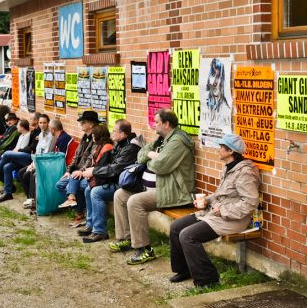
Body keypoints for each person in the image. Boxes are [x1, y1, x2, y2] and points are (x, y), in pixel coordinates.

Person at [169, 134, 261, 288]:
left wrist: (224, 210)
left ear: (230, 151)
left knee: (188, 236)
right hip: (216, 213)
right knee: (176, 227)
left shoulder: (245, 173)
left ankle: (208, 280)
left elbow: (250, 202)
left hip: (233, 219)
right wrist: (207, 201)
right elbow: (221, 193)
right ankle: (184, 270)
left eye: (221, 147)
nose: (218, 150)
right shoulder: (229, 167)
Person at [110, 108, 195, 265]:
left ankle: (144, 250)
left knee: (135, 201)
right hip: (154, 189)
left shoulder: (177, 141)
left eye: (157, 122)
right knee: (120, 195)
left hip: (173, 191)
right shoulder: (161, 139)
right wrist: (151, 155)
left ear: (166, 123)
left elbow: (162, 166)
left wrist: (152, 159)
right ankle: (126, 238)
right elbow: (141, 153)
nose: (153, 125)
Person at [79, 120, 140, 243]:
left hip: (125, 184)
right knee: (87, 189)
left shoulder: (130, 148)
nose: (111, 134)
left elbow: (115, 169)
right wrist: (92, 170)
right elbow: (110, 165)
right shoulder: (119, 144)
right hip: (115, 181)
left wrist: (94, 172)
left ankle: (100, 231)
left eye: (114, 131)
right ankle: (91, 224)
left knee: (96, 192)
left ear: (122, 134)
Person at [55, 110, 99, 227]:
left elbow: (92, 159)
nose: (80, 124)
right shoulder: (84, 137)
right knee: (60, 184)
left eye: (83, 122)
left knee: (78, 186)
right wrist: (69, 171)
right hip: (76, 172)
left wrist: (81, 171)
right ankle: (75, 203)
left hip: (87, 173)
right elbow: (75, 157)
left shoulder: (96, 138)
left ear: (91, 124)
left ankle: (80, 213)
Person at [17, 114, 52, 207]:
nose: (42, 125)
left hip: (43, 163)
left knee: (28, 174)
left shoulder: (50, 136)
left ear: (48, 123)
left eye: (44, 123)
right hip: (36, 161)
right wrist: (32, 164)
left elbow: (46, 153)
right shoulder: (40, 135)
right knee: (21, 172)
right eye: (40, 123)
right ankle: (29, 197)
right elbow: (37, 152)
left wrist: (35, 165)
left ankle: (33, 199)